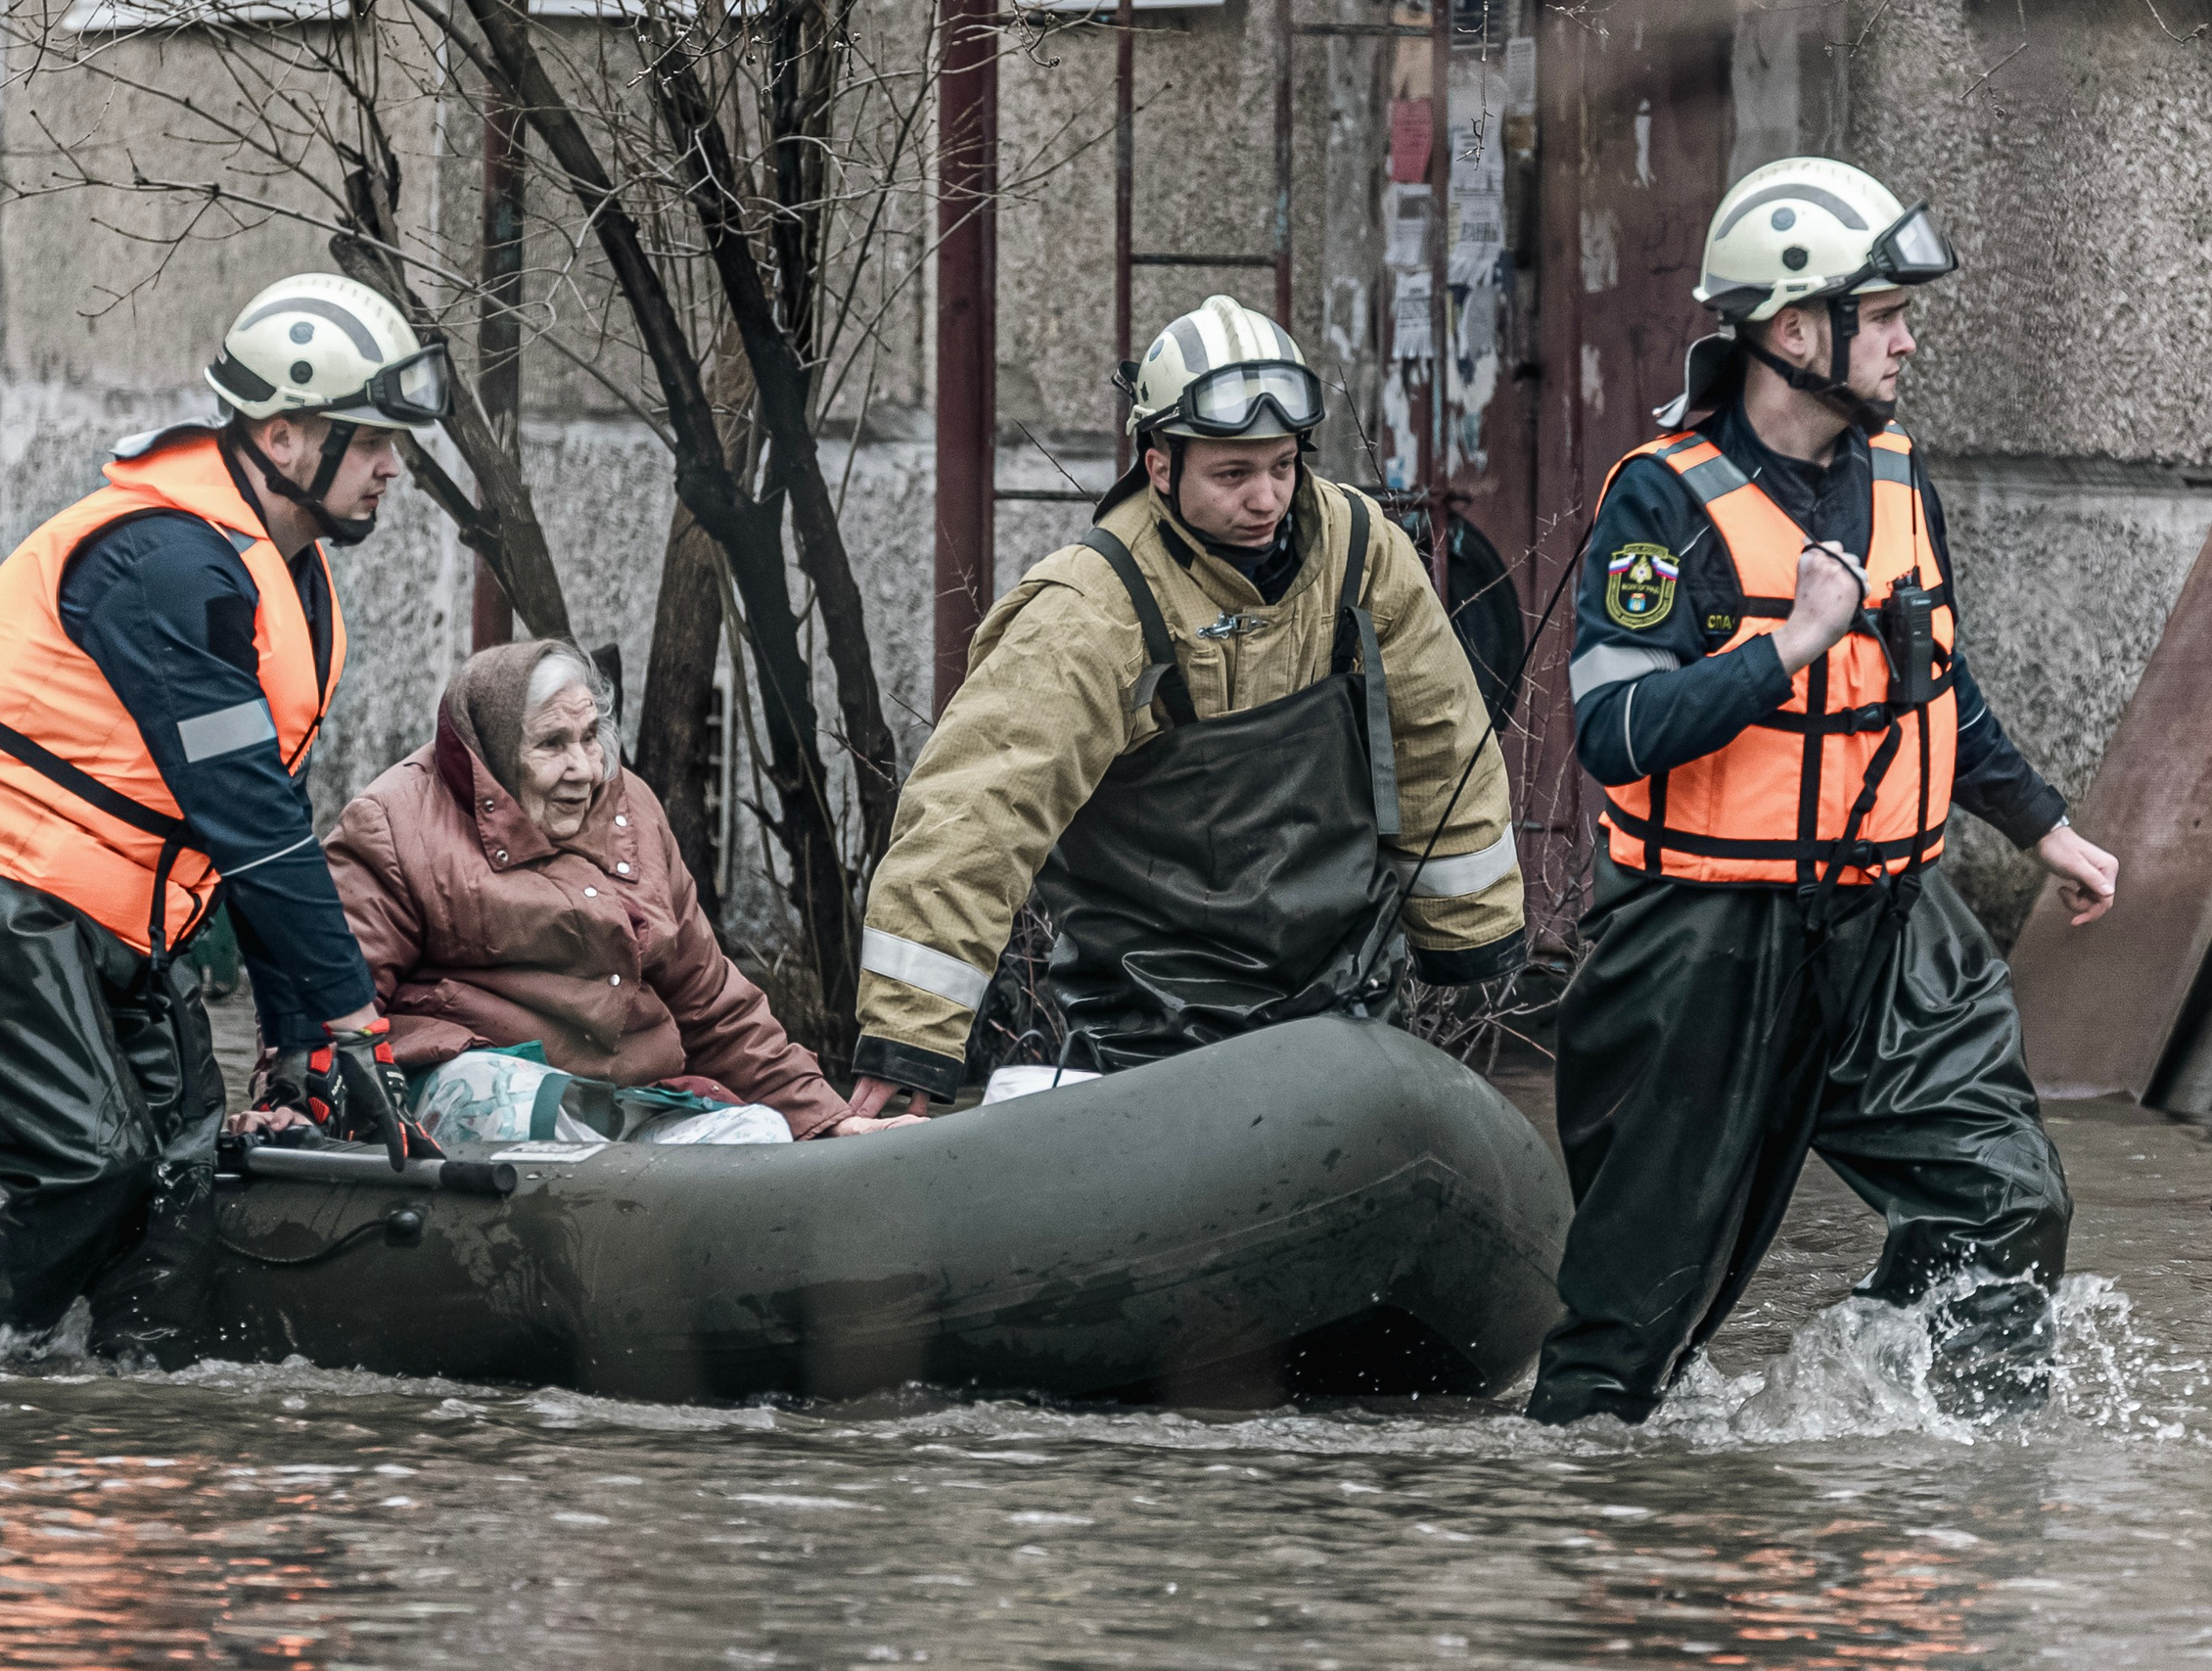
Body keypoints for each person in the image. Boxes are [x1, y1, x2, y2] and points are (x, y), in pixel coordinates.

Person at [1526, 159, 2118, 1425]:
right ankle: (1593, 1523)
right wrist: (1789, 644)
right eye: (1886, 314)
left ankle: (1943, 1459)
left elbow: (1935, 684)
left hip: (1891, 926)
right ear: (1795, 332)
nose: (1908, 340)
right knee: (1633, 1333)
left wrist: (2042, 824)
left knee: (2007, 1201)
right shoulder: (1661, 498)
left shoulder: (1896, 474)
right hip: (1707, 941)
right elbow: (1617, 733)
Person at [0, 272, 449, 1357]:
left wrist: (301, 1038)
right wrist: (353, 1018)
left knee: (183, 1167)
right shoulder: (163, 564)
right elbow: (244, 811)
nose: (391, 465)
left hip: (102, 909)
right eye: (369, 440)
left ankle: (138, 1393)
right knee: (91, 1167)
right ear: (283, 433)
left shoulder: (288, 571)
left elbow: (269, 814)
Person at [847, 295, 1528, 1122]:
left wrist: (1471, 938)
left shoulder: (1361, 552)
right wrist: (911, 1036)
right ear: (1160, 465)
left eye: (1283, 464)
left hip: (1346, 1011)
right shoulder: (1095, 607)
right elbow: (978, 808)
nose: (1267, 498)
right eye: (1233, 474)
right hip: (1149, 1033)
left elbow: (1441, 740)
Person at [320, 639, 865, 1142]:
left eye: (588, 737)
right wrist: (298, 1108)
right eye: (552, 743)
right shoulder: (395, 822)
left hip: (625, 1105)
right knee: (507, 1099)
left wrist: (826, 1119)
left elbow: (711, 1002)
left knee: (760, 1136)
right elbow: (334, 991)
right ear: (492, 751)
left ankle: (623, 1201)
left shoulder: (633, 808)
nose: (582, 768)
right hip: (486, 1099)